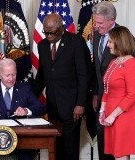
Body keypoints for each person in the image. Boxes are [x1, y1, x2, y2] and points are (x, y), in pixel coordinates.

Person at [33, 13, 91, 160]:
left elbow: (84, 76)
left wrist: (80, 104)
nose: (48, 36)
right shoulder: (42, 45)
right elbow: (42, 75)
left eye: (52, 32)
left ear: (61, 28)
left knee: (70, 149)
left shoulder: (76, 42)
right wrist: (29, 99)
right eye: (45, 32)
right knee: (55, 147)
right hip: (53, 107)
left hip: (72, 107)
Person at [0, 58, 46, 160]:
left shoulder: (25, 88)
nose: (11, 79)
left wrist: (26, 110)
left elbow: (41, 108)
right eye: (7, 75)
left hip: (20, 140)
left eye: (13, 74)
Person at [99, 26, 135, 160]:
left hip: (124, 115)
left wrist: (113, 115)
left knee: (121, 154)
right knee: (114, 154)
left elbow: (132, 94)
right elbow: (106, 88)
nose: (107, 45)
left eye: (110, 42)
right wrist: (102, 111)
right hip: (110, 113)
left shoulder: (131, 64)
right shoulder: (113, 62)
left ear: (120, 42)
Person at [91, 1, 117, 159]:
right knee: (102, 141)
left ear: (111, 20)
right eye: (95, 22)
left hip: (117, 101)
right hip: (101, 99)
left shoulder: (124, 37)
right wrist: (95, 93)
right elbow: (96, 69)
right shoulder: (96, 34)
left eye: (100, 23)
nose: (96, 26)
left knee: (115, 145)